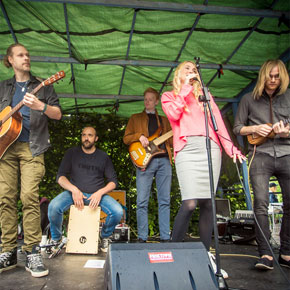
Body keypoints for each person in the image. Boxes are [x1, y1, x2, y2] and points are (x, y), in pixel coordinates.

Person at [161, 61, 245, 278]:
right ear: (178, 74)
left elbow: (218, 123)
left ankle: (204, 253)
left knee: (208, 202)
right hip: (187, 150)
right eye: (187, 69)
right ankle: (173, 251)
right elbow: (173, 115)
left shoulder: (205, 96)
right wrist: (187, 88)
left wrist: (230, 147)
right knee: (189, 203)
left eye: (194, 70)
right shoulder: (169, 96)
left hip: (211, 148)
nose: (192, 71)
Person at [0, 43, 62, 277]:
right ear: (10, 60)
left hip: (32, 147)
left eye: (27, 54)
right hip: (5, 148)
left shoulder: (42, 86)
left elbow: (57, 113)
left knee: (28, 197)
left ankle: (32, 250)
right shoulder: (3, 87)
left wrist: (40, 105)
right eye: (20, 55)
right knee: (5, 197)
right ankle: (8, 252)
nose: (26, 58)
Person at [233, 59, 290, 270]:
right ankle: (265, 254)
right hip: (260, 154)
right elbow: (238, 128)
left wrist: (286, 131)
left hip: (287, 153)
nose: (273, 80)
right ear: (263, 75)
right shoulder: (248, 99)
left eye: (277, 76)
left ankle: (286, 252)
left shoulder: (289, 96)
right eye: (270, 76)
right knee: (261, 204)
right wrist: (256, 129)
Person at [48, 126, 123, 253]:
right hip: (74, 194)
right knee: (53, 207)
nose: (86, 138)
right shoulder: (72, 153)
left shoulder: (103, 156)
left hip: (97, 196)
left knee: (117, 211)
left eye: (90, 135)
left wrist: (99, 193)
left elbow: (113, 182)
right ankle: (56, 239)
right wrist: (74, 190)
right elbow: (60, 177)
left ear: (96, 138)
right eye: (83, 135)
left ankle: (105, 237)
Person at [123, 87, 173, 242]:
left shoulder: (165, 120)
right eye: (145, 99)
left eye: (151, 99)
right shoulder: (135, 118)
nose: (147, 102)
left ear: (157, 102)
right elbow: (126, 139)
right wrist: (140, 136)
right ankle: (142, 237)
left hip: (164, 160)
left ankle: (165, 236)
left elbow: (172, 141)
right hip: (145, 161)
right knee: (142, 201)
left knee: (165, 200)